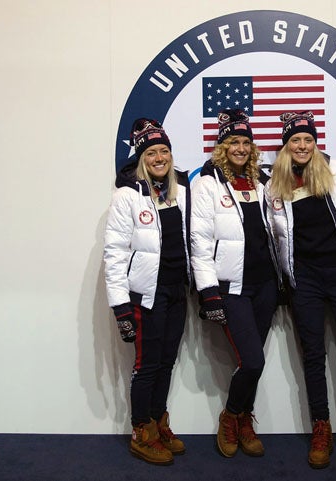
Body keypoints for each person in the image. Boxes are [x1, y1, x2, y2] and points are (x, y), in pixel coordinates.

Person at [265, 111, 336, 475]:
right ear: (287, 145)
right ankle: (321, 429)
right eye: (296, 140)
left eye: (308, 139)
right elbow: (273, 237)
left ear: (315, 142)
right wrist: (284, 280)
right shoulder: (274, 186)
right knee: (313, 358)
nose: (303, 145)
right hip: (305, 282)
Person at [190, 109, 280, 458]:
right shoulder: (207, 184)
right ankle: (231, 416)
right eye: (233, 142)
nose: (240, 148)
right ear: (222, 147)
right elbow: (198, 241)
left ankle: (244, 419)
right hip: (231, 288)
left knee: (250, 362)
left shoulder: (261, 184)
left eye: (245, 142)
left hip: (266, 287)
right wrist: (209, 293)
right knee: (253, 360)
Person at [103, 118, 191, 466]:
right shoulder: (127, 196)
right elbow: (114, 253)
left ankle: (158, 421)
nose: (159, 157)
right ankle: (142, 431)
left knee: (166, 363)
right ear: (141, 157)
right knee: (147, 365)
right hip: (145, 296)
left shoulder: (179, 191)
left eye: (164, 151)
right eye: (152, 152)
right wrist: (121, 307)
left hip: (176, 292)